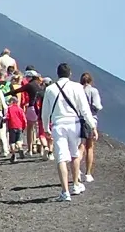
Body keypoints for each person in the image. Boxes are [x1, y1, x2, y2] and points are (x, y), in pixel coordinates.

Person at [42, 62, 97, 201]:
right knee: (74, 154)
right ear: (70, 74)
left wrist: (45, 128)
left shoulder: (50, 89)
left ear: (57, 73)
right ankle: (76, 184)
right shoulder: (77, 87)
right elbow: (85, 109)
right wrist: (93, 126)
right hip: (74, 124)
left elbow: (45, 112)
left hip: (58, 125)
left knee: (61, 158)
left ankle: (65, 192)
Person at [79, 72, 103, 183]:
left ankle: (77, 168)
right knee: (89, 147)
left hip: (78, 119)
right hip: (90, 120)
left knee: (80, 146)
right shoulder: (93, 91)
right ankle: (88, 173)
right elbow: (97, 105)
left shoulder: (77, 90)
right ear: (90, 81)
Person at [4, 94, 27, 164]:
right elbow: (24, 119)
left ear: (12, 101)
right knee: (19, 140)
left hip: (12, 127)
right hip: (19, 126)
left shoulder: (9, 109)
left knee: (12, 142)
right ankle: (20, 148)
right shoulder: (20, 109)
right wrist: (24, 127)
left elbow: (7, 117)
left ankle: (13, 155)